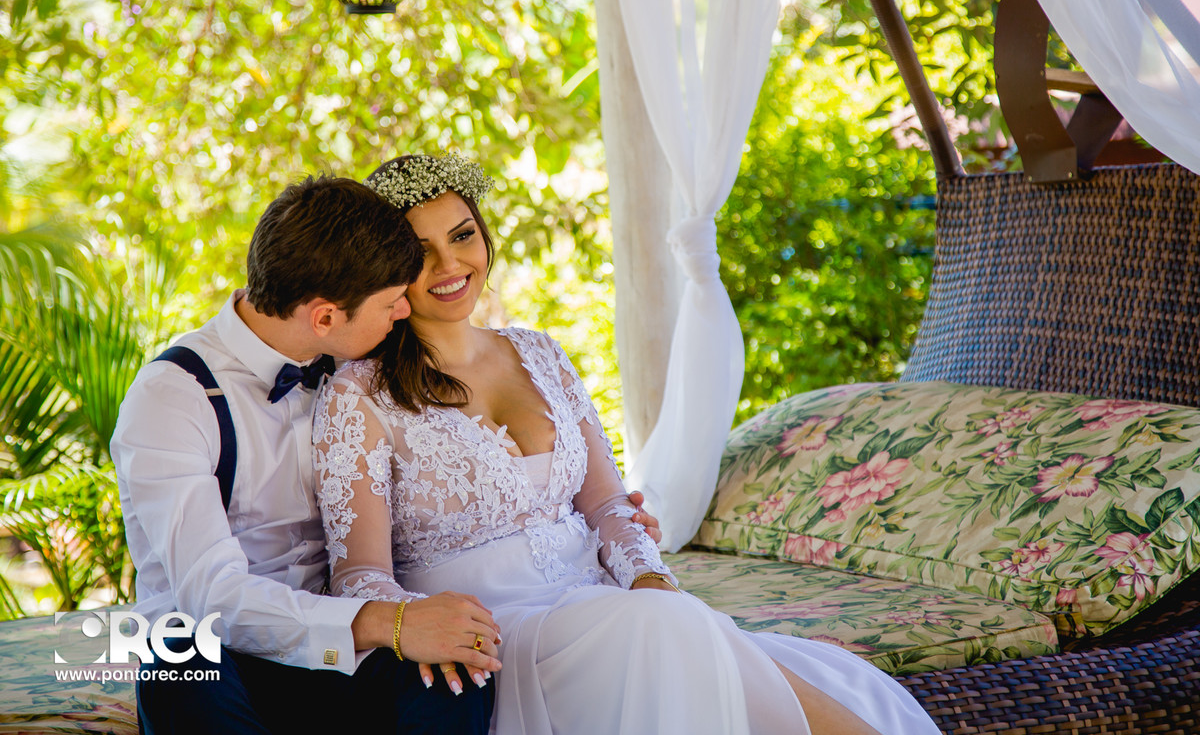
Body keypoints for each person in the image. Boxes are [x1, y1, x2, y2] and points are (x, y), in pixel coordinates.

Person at [313, 154, 941, 734]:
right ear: (385, 268)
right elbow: (359, 576)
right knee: (678, 641)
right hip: (499, 632)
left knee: (745, 651)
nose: (451, 266)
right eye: (420, 252)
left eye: (462, 235)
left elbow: (610, 507)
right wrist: (421, 630)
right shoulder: (359, 394)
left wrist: (649, 578)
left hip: (606, 601)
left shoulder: (539, 354)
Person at [110, 175, 503, 734]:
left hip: (338, 647)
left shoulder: (360, 366)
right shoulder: (174, 397)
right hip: (222, 648)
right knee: (185, 665)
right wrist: (388, 623)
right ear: (324, 317)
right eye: (392, 303)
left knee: (451, 676)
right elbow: (213, 595)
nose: (401, 314)